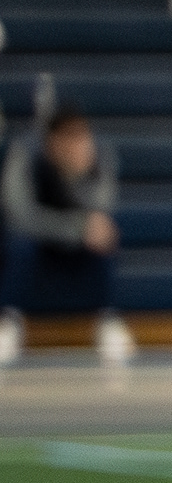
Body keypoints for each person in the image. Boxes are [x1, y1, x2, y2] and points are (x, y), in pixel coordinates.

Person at [0, 94, 131, 370]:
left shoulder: (100, 155)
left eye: (81, 136)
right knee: (19, 244)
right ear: (51, 141)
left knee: (104, 238)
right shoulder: (26, 154)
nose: (76, 144)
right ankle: (8, 321)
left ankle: (107, 319)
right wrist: (76, 228)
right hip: (38, 242)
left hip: (76, 245)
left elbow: (100, 214)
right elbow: (19, 216)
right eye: (68, 138)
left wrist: (75, 178)